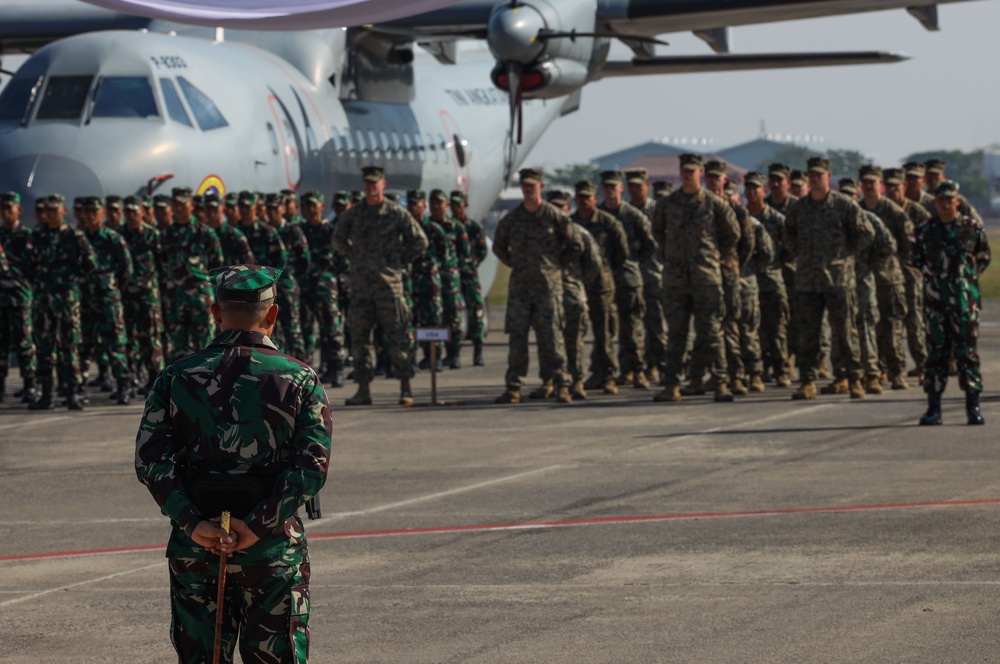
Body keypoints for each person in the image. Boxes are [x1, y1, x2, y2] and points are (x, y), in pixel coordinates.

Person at [135, 264, 332, 663]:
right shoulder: (299, 378)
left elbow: (150, 460)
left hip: (197, 549)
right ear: (273, 314)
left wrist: (194, 524)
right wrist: (257, 526)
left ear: (215, 313)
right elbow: (311, 466)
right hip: (272, 550)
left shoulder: (177, 377)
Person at [332, 166, 428, 406]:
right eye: (367, 183)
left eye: (375, 183)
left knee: (397, 337)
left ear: (383, 184)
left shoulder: (396, 213)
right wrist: (354, 257)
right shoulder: (354, 215)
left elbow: (419, 240)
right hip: (362, 287)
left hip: (389, 286)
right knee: (361, 339)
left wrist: (398, 261)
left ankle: (405, 387)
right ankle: (363, 389)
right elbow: (337, 239)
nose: (371, 187)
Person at [651, 153, 741, 403]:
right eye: (685, 171)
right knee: (677, 334)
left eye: (692, 171)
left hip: (706, 278)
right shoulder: (667, 204)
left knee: (712, 332)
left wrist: (710, 257)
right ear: (680, 173)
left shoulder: (714, 204)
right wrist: (672, 255)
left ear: (700, 173)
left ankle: (721, 382)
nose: (688, 175)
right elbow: (657, 232)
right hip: (676, 280)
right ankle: (672, 385)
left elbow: (732, 235)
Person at [784, 158, 874, 400]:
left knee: (845, 331)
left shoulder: (843, 205)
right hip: (807, 281)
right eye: (811, 175)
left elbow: (866, 233)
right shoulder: (798, 208)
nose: (815, 179)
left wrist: (845, 255)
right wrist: (801, 255)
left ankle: (853, 379)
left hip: (839, 280)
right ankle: (808, 381)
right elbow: (788, 235)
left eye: (819, 175)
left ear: (828, 176)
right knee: (808, 333)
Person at [492, 167, 581, 404]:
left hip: (548, 288)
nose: (529, 189)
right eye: (525, 185)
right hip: (520, 289)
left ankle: (562, 383)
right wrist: (516, 264)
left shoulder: (554, 216)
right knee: (517, 339)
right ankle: (514, 387)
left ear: (541, 187)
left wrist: (555, 267)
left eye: (533, 185)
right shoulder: (512, 219)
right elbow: (498, 246)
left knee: (552, 337)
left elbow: (575, 245)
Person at [914, 180, 991, 425]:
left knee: (967, 354)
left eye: (950, 199)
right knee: (936, 355)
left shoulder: (971, 228)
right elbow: (916, 260)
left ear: (958, 201)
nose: (946, 204)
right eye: (941, 200)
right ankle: (934, 409)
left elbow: (983, 257)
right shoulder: (925, 230)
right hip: (935, 304)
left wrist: (964, 282)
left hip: (964, 304)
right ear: (934, 203)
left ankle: (973, 407)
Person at [29, 194, 97, 410]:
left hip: (67, 300)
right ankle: (46, 393)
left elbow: (90, 262)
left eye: (54, 210)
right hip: (43, 301)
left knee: (70, 347)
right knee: (44, 347)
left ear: (63, 211)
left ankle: (72, 393)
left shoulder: (74, 236)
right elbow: (27, 263)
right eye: (47, 210)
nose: (49, 214)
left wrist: (72, 281)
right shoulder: (37, 236)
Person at [598, 170, 657, 389]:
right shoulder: (597, 215)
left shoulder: (633, 215)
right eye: (607, 187)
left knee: (632, 329)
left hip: (629, 279)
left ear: (620, 188)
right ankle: (609, 373)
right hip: (602, 282)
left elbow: (650, 244)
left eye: (614, 187)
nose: (611, 191)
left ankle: (637, 371)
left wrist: (633, 263)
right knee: (605, 330)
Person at [857, 165, 912, 390]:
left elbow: (908, 244)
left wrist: (904, 270)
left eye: (873, 182)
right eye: (866, 182)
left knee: (892, 326)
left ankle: (897, 371)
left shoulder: (894, 212)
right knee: (869, 326)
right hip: (865, 279)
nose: (869, 186)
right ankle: (876, 370)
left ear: (880, 184)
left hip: (890, 278)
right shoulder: (856, 210)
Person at [572, 180, 628, 395]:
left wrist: (605, 271)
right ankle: (579, 376)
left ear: (595, 199)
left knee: (604, 334)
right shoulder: (570, 224)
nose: (584, 201)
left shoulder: (608, 222)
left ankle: (608, 376)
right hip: (578, 287)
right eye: (581, 197)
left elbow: (621, 253)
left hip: (602, 287)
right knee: (575, 335)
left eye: (588, 197)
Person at [78, 195, 134, 404]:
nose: (91, 216)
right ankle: (78, 389)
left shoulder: (113, 239)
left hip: (108, 301)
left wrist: (110, 287)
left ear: (102, 213)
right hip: (84, 301)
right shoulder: (79, 238)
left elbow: (126, 269)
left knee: (116, 345)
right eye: (88, 212)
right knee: (83, 346)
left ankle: (123, 386)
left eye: (95, 211)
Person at [884, 166, 932, 378]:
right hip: (886, 275)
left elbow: (931, 239)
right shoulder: (880, 210)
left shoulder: (917, 212)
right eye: (889, 186)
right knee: (888, 322)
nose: (892, 190)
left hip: (911, 274)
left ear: (903, 186)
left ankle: (922, 365)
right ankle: (890, 366)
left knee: (914, 322)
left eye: (896, 186)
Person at [745, 173, 791, 387]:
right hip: (748, 284)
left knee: (777, 329)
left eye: (757, 188)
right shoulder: (741, 217)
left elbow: (791, 248)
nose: (752, 192)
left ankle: (782, 370)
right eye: (749, 188)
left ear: (764, 191)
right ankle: (758, 370)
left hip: (772, 282)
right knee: (753, 330)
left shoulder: (776, 219)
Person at [119, 195, 166, 396]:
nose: (131, 216)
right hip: (126, 297)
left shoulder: (153, 236)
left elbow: (163, 267)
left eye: (134, 212)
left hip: (148, 298)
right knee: (127, 340)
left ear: (142, 213)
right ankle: (128, 381)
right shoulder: (119, 236)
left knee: (151, 340)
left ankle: (155, 380)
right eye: (127, 212)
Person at [0, 191, 37, 403]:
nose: (6, 212)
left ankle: (29, 385)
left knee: (24, 342)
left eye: (9, 208)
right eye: (3, 209)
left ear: (18, 210)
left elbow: (30, 267)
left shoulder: (26, 237)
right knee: (1, 345)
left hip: (20, 297)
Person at [450, 190, 489, 366]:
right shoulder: (447, 226)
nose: (455, 208)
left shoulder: (474, 227)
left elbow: (482, 250)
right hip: (451, 277)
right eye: (453, 205)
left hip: (469, 275)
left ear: (465, 205)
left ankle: (478, 352)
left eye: (459, 204)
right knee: (454, 315)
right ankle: (454, 353)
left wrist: (470, 264)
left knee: (476, 312)